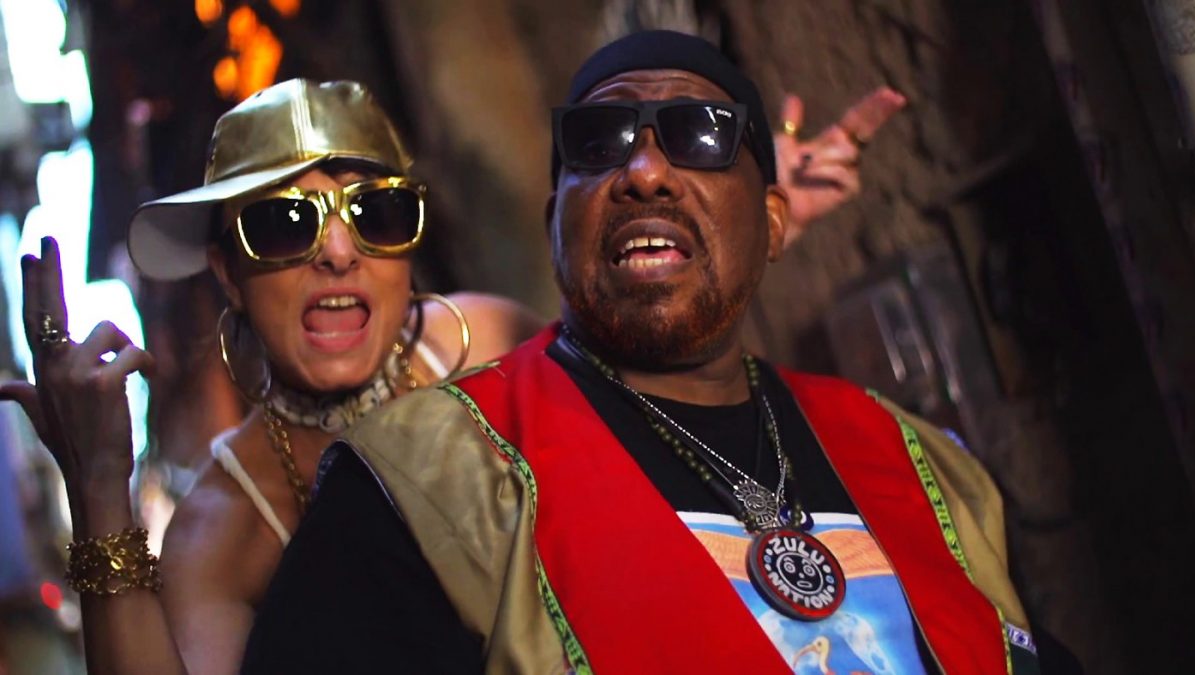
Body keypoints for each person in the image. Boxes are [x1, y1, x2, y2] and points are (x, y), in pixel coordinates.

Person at [0, 62, 903, 675]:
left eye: (377, 214)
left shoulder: (495, 336)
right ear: (228, 273)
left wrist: (752, 222)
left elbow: (646, 375)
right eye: (283, 224)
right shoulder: (223, 527)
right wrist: (100, 486)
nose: (339, 253)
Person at [240, 31, 1040, 675]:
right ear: (555, 225)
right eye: (598, 143)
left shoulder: (924, 463)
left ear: (773, 221)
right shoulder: (418, 486)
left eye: (701, 136)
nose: (647, 171)